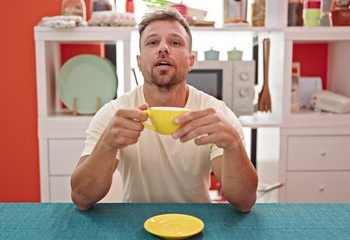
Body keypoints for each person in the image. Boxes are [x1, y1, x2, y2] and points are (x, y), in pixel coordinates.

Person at [70, 7, 258, 213]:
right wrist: (107, 143)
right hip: (136, 224)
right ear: (139, 62)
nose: (163, 48)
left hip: (198, 224)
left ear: (191, 61)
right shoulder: (116, 113)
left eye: (175, 42)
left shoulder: (215, 113)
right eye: (152, 42)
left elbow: (244, 201)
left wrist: (233, 144)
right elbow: (81, 198)